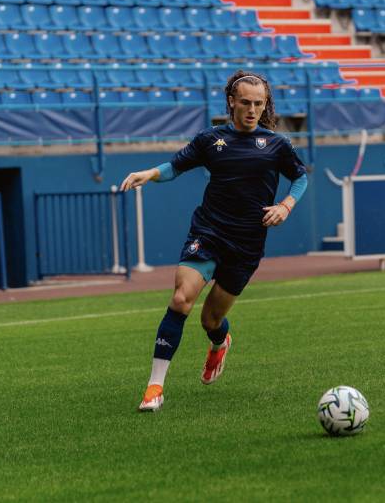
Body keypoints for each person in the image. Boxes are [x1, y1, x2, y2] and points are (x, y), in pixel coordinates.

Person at [120, 70, 308, 412]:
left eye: (258, 104)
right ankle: (154, 388)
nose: (252, 110)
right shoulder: (211, 140)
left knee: (210, 320)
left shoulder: (277, 144)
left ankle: (220, 342)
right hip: (208, 232)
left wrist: (286, 205)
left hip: (247, 244)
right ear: (231, 102)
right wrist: (149, 173)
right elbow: (177, 165)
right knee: (180, 299)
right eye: (246, 103)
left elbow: (300, 178)